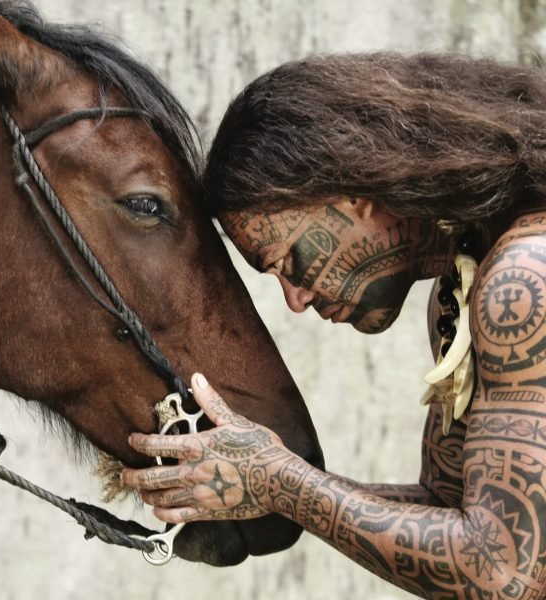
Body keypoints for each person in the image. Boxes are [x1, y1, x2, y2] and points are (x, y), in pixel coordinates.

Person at [121, 52, 546, 598]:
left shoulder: (523, 276)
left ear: (356, 195)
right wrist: (253, 484)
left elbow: (502, 572)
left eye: (290, 261)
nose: (296, 300)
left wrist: (278, 481)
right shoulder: (460, 289)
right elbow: (449, 507)